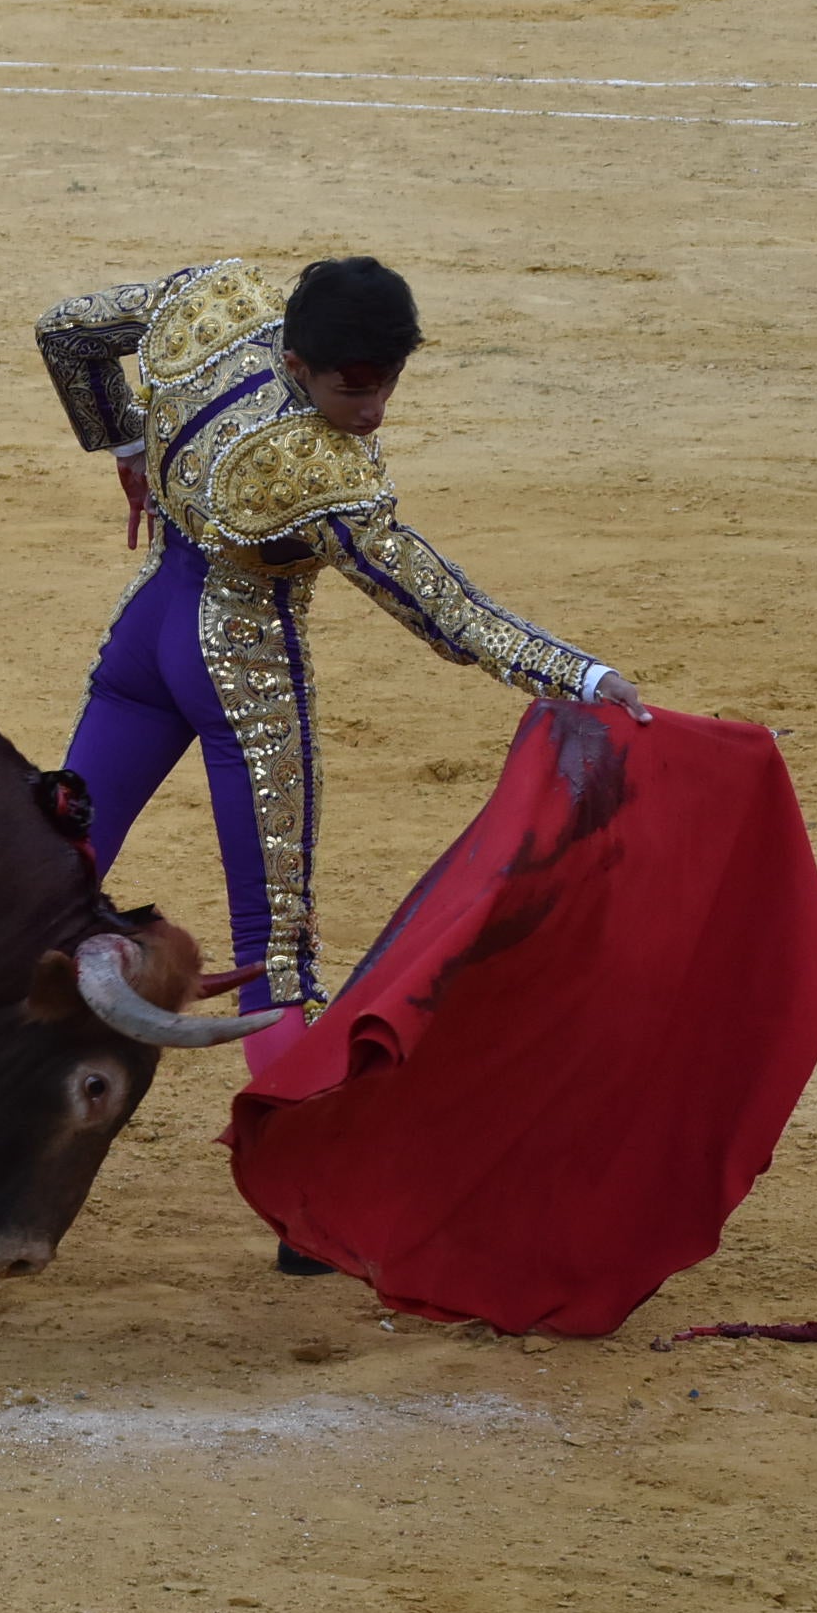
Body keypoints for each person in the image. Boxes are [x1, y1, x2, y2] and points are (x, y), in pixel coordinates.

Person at [37, 257, 650, 1101]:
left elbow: (69, 336)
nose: (373, 411)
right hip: (237, 677)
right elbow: (439, 607)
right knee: (273, 950)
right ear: (296, 364)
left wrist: (129, 442)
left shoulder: (210, 299)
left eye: (387, 383)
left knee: (48, 883)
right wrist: (577, 672)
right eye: (353, 388)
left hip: (146, 637)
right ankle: (300, 1205)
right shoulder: (322, 475)